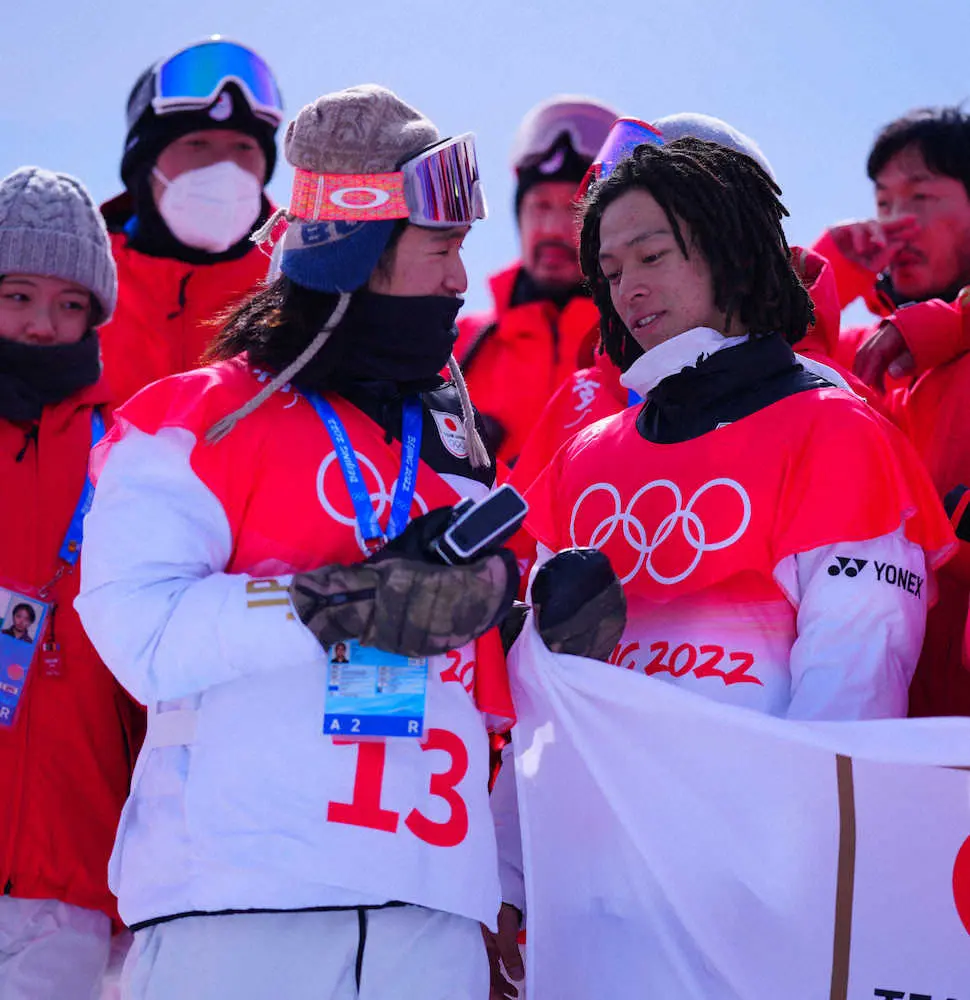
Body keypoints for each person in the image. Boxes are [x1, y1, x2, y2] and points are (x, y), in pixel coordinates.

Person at [76, 85, 520, 1000]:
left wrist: (547, 617)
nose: (459, 282)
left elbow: (487, 690)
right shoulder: (196, 419)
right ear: (361, 250)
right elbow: (139, 631)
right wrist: (332, 602)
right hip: (238, 912)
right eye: (440, 249)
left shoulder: (456, 454)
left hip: (429, 914)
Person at [0, 167, 145, 999]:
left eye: (70, 304)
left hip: (72, 874)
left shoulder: (126, 454)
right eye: (18, 296)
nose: (43, 325)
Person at [813, 107, 970, 715]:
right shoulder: (862, 356)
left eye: (922, 196)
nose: (898, 222)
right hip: (881, 730)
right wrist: (835, 268)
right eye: (882, 202)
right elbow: (747, 362)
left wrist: (946, 322)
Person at [97, 36, 283, 407]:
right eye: (197, 144)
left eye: (244, 147)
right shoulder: (75, 283)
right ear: (145, 166)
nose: (224, 166)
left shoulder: (306, 277)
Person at [455, 95, 617, 466]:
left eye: (576, 210)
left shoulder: (637, 347)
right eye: (540, 205)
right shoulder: (455, 348)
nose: (554, 229)